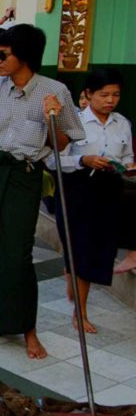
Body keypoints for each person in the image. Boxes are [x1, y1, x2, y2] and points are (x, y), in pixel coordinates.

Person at [0, 24, 86, 359]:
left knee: (17, 254)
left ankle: (28, 328)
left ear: (24, 57)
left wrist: (52, 118)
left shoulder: (55, 92)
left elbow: (59, 144)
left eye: (3, 54)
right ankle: (2, 321)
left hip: (25, 175)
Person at [47, 68, 133, 332]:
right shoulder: (74, 122)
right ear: (88, 94)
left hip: (108, 189)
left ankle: (76, 280)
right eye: (104, 94)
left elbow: (127, 154)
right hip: (78, 190)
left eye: (115, 95)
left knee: (97, 249)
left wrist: (127, 165)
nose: (110, 100)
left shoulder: (123, 123)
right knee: (81, 248)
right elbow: (53, 160)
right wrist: (83, 159)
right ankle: (80, 313)